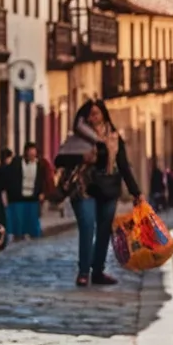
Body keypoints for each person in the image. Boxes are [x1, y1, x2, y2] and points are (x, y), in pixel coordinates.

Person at [70, 100, 142, 288]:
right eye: (89, 114)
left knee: (103, 230)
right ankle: (83, 272)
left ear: (103, 114)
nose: (93, 117)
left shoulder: (114, 138)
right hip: (83, 187)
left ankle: (98, 271)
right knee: (87, 227)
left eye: (96, 113)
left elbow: (124, 166)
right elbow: (61, 160)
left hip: (108, 188)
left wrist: (136, 192)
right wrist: (81, 158)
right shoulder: (77, 138)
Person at [0, 142, 45, 240]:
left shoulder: (39, 164)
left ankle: (32, 235)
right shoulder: (16, 162)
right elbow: (7, 177)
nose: (32, 156)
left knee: (32, 220)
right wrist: (5, 193)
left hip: (33, 197)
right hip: (18, 197)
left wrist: (41, 192)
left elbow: (41, 179)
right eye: (30, 154)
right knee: (18, 220)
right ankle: (18, 236)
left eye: (34, 154)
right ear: (26, 152)